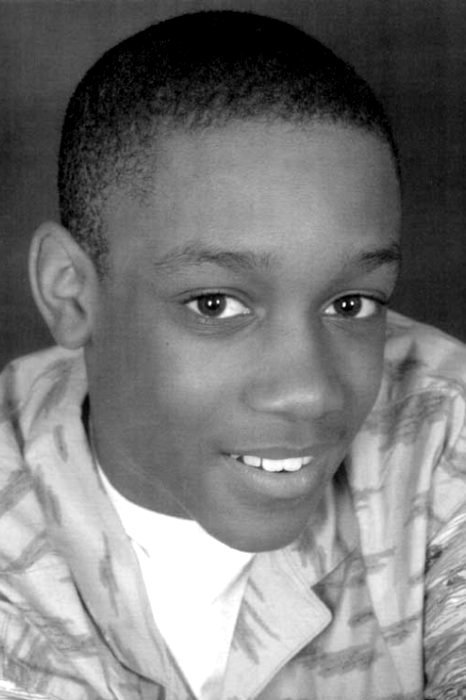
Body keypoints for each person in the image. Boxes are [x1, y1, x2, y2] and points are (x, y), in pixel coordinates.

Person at [0, 9, 465, 700]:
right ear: (71, 292)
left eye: (351, 304)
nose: (309, 392)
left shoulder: (442, 432)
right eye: (215, 304)